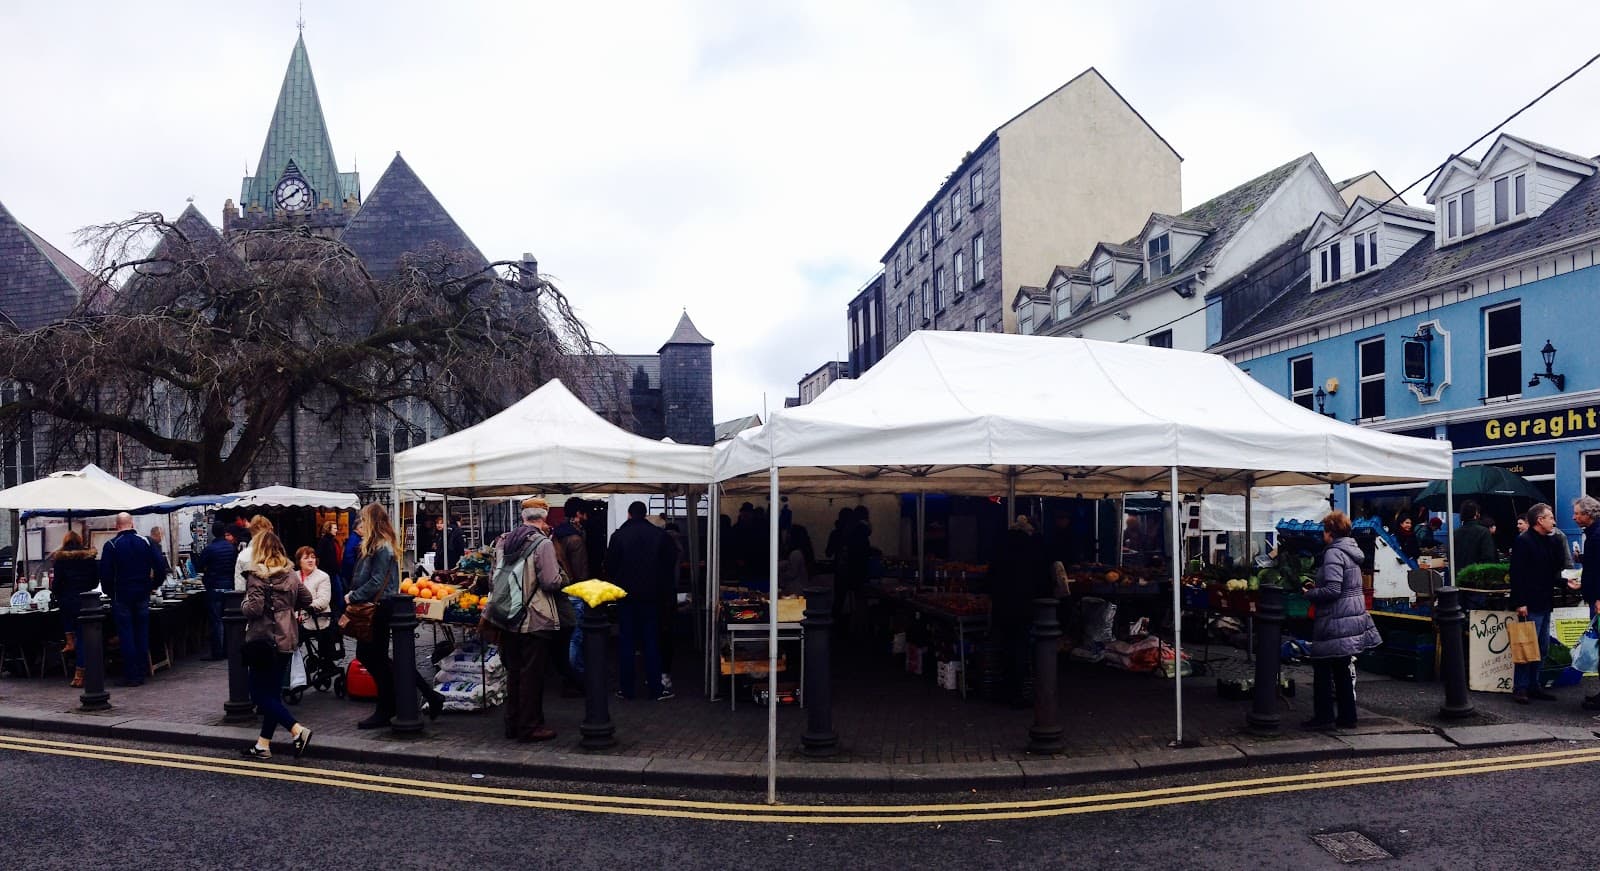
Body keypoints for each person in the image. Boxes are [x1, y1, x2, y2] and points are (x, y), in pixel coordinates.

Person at [345, 503, 443, 728]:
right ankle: (425, 696)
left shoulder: (382, 548)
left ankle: (387, 706)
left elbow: (377, 581)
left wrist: (354, 596)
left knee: (372, 656)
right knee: (381, 658)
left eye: (364, 518)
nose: (361, 523)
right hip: (379, 606)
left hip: (380, 607)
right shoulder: (377, 545)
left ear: (372, 521)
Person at [485, 498, 565, 741]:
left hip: (507, 616)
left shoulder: (503, 541)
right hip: (534, 618)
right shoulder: (542, 544)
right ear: (544, 516)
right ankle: (529, 727)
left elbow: (492, 579)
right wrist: (563, 576)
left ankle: (512, 723)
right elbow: (551, 581)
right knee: (532, 676)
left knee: (515, 673)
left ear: (523, 516)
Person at [1301, 511, 1382, 729]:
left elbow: (1333, 589)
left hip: (1335, 618)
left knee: (1322, 668)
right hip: (1350, 616)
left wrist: (1310, 593)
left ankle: (1324, 718)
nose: (1322, 535)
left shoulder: (1334, 553)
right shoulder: (1352, 551)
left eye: (1324, 531)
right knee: (1341, 667)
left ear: (1330, 532)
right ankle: (1348, 717)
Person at [239, 530, 314, 759]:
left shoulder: (256, 576)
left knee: (258, 695)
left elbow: (254, 609)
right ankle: (263, 745)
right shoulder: (291, 575)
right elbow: (308, 599)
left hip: (264, 641)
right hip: (286, 638)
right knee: (272, 693)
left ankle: (297, 729)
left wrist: (243, 604)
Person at [607, 500, 676, 700]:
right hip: (652, 596)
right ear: (645, 515)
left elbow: (610, 565)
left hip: (626, 596)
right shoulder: (660, 536)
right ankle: (656, 688)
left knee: (626, 642)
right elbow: (669, 565)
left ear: (629, 514)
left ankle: (626, 689)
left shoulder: (618, 536)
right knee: (652, 641)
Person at [98, 512, 169, 687]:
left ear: (117, 525)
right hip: (142, 592)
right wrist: (154, 584)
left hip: (121, 594)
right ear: (132, 523)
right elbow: (160, 566)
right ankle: (142, 670)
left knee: (126, 634)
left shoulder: (111, 545)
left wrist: (109, 592)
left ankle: (131, 675)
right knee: (141, 632)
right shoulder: (146, 542)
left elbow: (105, 574)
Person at [989, 516, 1051, 707]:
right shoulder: (1030, 549)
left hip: (1002, 605)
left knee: (1005, 646)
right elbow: (1040, 577)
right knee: (1020, 649)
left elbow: (991, 576)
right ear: (1028, 531)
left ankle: (1005, 689)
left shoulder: (1001, 546)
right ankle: (1016, 693)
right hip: (1023, 605)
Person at [1509, 503, 1565, 704]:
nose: (1554, 521)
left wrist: (1567, 582)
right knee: (1526, 644)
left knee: (1542, 646)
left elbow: (1553, 569)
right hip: (1530, 602)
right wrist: (1520, 602)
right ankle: (1520, 687)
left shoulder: (1549, 540)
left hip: (1544, 599)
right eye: (1550, 517)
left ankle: (1534, 684)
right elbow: (1517, 573)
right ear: (1539, 520)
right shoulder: (1523, 542)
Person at [550, 498, 590, 697]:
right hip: (574, 593)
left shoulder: (556, 534)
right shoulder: (575, 539)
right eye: (584, 513)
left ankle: (567, 676)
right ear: (578, 514)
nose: (587, 517)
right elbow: (581, 572)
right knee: (575, 638)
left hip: (558, 593)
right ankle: (575, 678)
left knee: (564, 637)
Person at [51, 531, 98, 688]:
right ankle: (80, 674)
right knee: (83, 637)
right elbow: (94, 581)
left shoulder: (60, 560)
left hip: (67, 600)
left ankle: (69, 640)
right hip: (85, 601)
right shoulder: (88, 558)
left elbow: (56, 584)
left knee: (69, 621)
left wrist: (59, 594)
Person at [196, 525, 242, 660]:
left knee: (216, 621)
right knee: (228, 619)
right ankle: (229, 650)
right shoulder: (232, 548)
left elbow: (199, 566)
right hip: (229, 587)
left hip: (214, 587)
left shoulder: (210, 549)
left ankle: (217, 652)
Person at [1573, 496, 1600, 711]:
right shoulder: (1593, 534)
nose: (1574, 517)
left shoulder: (1597, 536)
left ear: (1588, 515)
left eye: (1577, 513)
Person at [294, 546, 335, 662]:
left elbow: (323, 600)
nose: (311, 560)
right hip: (295, 618)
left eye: (313, 557)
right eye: (306, 558)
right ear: (299, 561)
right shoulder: (294, 576)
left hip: (316, 618)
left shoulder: (322, 577)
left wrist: (304, 608)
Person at [1453, 500, 1497, 569]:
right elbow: (1488, 558)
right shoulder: (1484, 532)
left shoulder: (1455, 533)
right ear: (1476, 514)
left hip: (1459, 576)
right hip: (1476, 576)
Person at [234, 515, 273, 591]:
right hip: (274, 600)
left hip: (251, 598)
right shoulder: (276, 552)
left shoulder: (243, 556)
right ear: (269, 531)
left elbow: (240, 586)